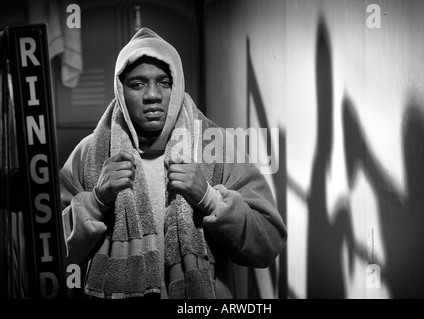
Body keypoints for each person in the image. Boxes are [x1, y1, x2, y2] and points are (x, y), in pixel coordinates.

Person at [59, 27, 287, 299]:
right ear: (120, 90)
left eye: (164, 82)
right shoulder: (91, 153)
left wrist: (210, 199)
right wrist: (96, 201)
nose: (153, 95)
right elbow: (48, 256)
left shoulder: (214, 146)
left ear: (177, 86)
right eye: (138, 84)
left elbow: (268, 244)